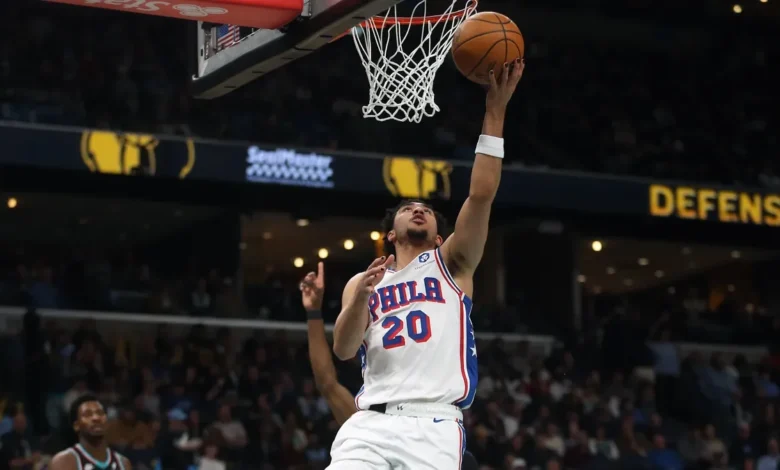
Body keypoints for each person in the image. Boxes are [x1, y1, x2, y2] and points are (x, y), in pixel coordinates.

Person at [299, 262, 479, 470]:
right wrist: (313, 314)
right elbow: (327, 384)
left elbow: (328, 385)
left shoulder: (450, 453)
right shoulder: (370, 421)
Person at [49, 395, 132, 470]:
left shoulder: (124, 463)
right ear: (76, 425)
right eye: (87, 414)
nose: (96, 418)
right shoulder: (64, 461)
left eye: (100, 413)